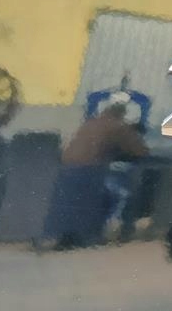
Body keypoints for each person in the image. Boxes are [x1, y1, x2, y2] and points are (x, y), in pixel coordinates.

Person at [44, 101, 148, 249]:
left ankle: (66, 237)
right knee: (112, 197)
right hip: (89, 170)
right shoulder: (117, 126)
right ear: (122, 114)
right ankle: (96, 235)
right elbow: (140, 151)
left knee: (73, 204)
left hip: (66, 169)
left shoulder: (89, 124)